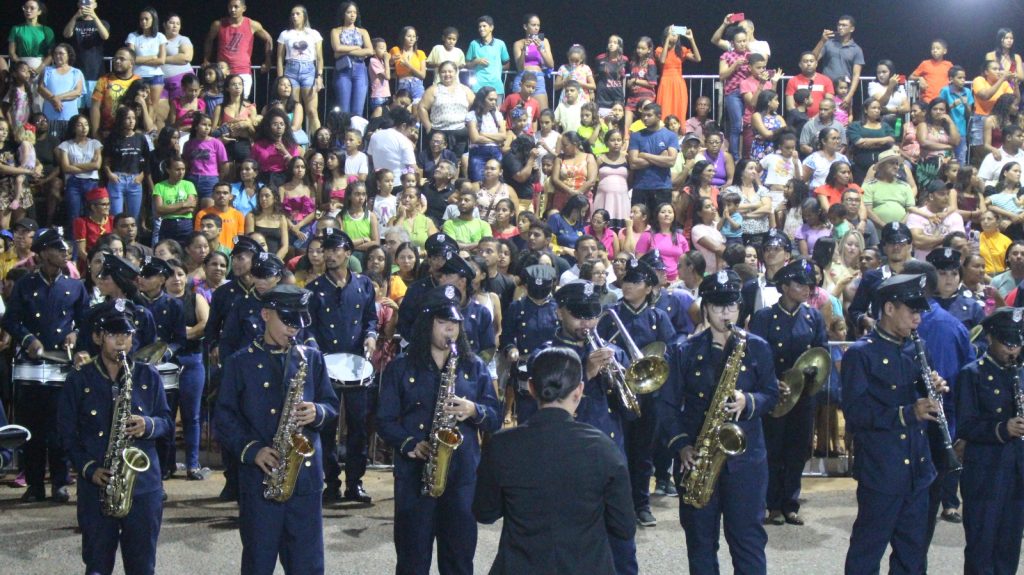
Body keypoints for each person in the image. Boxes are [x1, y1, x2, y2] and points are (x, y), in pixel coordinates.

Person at [474, 345, 635, 575]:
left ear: (531, 388)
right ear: (579, 390)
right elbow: (624, 527)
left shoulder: (501, 445)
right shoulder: (604, 448)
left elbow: (485, 513)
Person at [658, 268, 778, 573]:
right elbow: (668, 406)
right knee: (700, 543)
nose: (727, 312)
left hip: (746, 461)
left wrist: (747, 401)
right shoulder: (682, 351)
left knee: (748, 540)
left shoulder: (757, 347)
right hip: (697, 458)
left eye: (732, 305)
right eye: (718, 305)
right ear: (705, 308)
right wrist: (682, 446)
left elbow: (772, 394)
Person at [377, 284, 500, 575]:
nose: (450, 331)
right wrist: (409, 444)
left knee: (459, 560)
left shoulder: (473, 367)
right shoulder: (402, 367)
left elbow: (495, 417)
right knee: (412, 560)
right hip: (414, 474)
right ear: (426, 324)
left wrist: (474, 410)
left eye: (454, 324)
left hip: (461, 476)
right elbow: (384, 420)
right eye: (442, 323)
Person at [216, 284, 338, 575]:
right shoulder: (240, 361)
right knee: (259, 560)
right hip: (262, 477)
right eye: (287, 321)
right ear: (266, 314)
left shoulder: (311, 357)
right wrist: (252, 450)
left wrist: (317, 411)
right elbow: (225, 417)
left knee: (307, 563)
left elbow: (330, 404)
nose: (293, 330)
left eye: (298, 323)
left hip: (305, 478)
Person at [841, 273, 948, 574]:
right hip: (882, 469)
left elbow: (918, 396)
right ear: (889, 309)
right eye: (911, 310)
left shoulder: (917, 347)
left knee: (913, 554)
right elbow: (857, 414)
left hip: (918, 466)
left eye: (919, 311)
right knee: (867, 550)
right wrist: (907, 412)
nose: (918, 317)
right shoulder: (862, 354)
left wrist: (932, 388)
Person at [57, 299, 171, 575]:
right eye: (113, 334)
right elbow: (65, 435)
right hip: (98, 484)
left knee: (143, 566)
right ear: (97, 337)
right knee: (97, 565)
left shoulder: (147, 375)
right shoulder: (79, 380)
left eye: (127, 334)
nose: (121, 341)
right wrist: (89, 469)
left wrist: (149, 425)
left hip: (143, 488)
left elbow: (167, 421)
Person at [549, 280, 639, 574]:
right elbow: (546, 415)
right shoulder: (547, 355)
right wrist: (586, 374)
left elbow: (633, 411)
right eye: (578, 314)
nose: (586, 323)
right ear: (560, 311)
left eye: (592, 315)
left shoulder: (613, 351)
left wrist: (625, 383)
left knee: (622, 545)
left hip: (613, 457)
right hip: (570, 462)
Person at [3, 228, 88, 502]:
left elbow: (86, 323)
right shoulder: (26, 285)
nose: (65, 254)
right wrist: (28, 339)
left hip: (62, 366)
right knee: (33, 430)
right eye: (59, 249)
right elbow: (11, 321)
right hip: (31, 366)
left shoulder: (75, 286)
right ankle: (35, 484)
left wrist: (76, 335)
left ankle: (60, 484)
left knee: (60, 428)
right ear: (43, 253)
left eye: (65, 249)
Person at [749, 259, 827, 526]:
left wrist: (811, 378)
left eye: (808, 285)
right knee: (774, 448)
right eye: (799, 284)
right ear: (783, 287)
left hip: (803, 394)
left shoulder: (813, 317)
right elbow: (756, 357)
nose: (806, 289)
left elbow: (821, 353)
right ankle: (772, 504)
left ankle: (790, 502)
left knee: (797, 449)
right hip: (776, 393)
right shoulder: (765, 317)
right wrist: (771, 383)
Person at [305, 228, 378, 503]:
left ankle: (355, 482)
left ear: (348, 253)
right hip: (326, 368)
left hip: (357, 367)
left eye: (336, 249)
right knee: (327, 426)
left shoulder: (364, 284)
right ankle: (331, 482)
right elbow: (308, 328)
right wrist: (313, 348)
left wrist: (371, 336)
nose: (330, 255)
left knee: (358, 426)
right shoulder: (314, 289)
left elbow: (371, 318)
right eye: (327, 250)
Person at [956, 307, 1024, 575]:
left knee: (1009, 546)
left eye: (1018, 343)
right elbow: (966, 425)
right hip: (985, 472)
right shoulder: (972, 374)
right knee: (982, 546)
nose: (1014, 351)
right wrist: (1002, 428)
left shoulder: (1019, 373)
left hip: (1016, 472)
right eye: (1008, 344)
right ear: (990, 339)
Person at [202, 0, 274, 99]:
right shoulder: (218, 24)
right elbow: (209, 40)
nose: (233, 9)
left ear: (244, 8)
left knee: (241, 103)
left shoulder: (252, 24)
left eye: (236, 7)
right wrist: (206, 59)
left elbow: (268, 39)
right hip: (223, 72)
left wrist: (268, 60)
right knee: (221, 101)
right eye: (230, 7)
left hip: (243, 71)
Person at [629, 103, 678, 218]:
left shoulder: (670, 135)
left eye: (649, 115)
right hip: (640, 187)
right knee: (639, 222)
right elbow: (633, 163)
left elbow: (671, 161)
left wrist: (645, 155)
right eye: (643, 115)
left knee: (660, 223)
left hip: (662, 187)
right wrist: (660, 156)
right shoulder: (636, 135)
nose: (645, 118)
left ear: (659, 116)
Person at [812, 15, 864, 113]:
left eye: (844, 25)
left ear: (852, 29)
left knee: (843, 120)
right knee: (824, 116)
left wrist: (850, 95)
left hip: (844, 91)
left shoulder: (856, 49)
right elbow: (813, 59)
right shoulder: (829, 43)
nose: (840, 27)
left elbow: (856, 75)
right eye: (839, 25)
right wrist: (822, 41)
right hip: (825, 88)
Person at [89, 47, 140, 139]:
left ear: (131, 63)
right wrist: (95, 133)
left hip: (131, 133)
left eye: (122, 59)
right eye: (115, 58)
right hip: (108, 132)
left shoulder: (139, 82)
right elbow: (95, 107)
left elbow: (147, 108)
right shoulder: (104, 80)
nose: (117, 61)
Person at [863, 149, 915, 228]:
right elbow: (867, 210)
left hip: (902, 230)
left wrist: (899, 227)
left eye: (897, 164)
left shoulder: (905, 186)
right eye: (891, 163)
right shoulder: (868, 186)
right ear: (881, 166)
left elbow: (911, 211)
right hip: (877, 230)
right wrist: (885, 227)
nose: (896, 166)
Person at [467, 15, 510, 104]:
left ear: (491, 28)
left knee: (496, 115)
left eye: (484, 26)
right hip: (478, 87)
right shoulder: (474, 44)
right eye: (479, 27)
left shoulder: (500, 44)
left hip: (496, 87)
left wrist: (497, 67)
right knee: (477, 113)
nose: (481, 29)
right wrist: (476, 61)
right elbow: (466, 64)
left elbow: (507, 64)